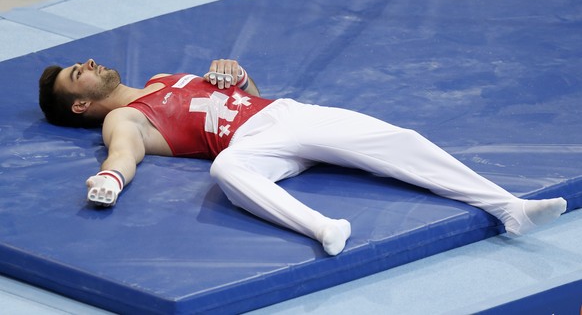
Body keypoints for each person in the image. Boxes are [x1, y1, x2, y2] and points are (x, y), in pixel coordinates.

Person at [38, 58, 567, 256]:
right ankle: (322, 229)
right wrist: (109, 178)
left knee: (398, 139)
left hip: (288, 113)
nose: (86, 63)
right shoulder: (120, 118)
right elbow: (125, 152)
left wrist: (238, 74)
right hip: (252, 146)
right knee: (226, 170)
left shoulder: (161, 77)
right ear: (81, 103)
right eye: (74, 75)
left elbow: (246, 93)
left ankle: (509, 208)